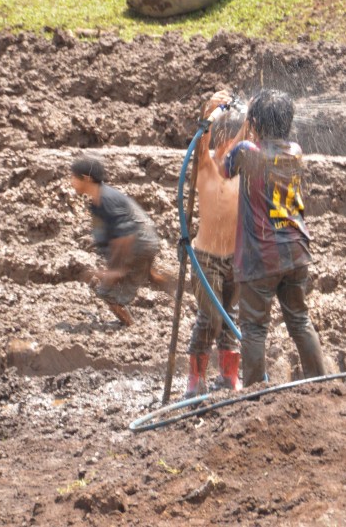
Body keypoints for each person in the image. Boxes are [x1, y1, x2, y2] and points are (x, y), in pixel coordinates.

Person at [222, 89, 327, 387]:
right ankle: (322, 384)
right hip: (295, 250)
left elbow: (224, 168)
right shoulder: (295, 150)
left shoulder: (247, 151)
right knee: (299, 320)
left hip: (261, 255)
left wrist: (245, 125)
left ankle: (254, 395)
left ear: (254, 122)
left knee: (254, 328)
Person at [184, 90, 246, 397]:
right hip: (205, 257)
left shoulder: (242, 170)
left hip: (235, 257)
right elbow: (201, 144)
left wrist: (247, 116)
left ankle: (228, 377)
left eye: (239, 140)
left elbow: (250, 135)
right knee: (209, 318)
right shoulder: (206, 165)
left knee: (231, 316)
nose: (234, 146)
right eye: (230, 140)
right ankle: (195, 381)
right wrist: (209, 110)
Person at [70, 153, 166, 328]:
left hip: (138, 245)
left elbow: (125, 236)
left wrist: (116, 271)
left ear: (85, 178)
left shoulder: (106, 200)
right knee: (147, 280)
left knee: (107, 292)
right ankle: (171, 286)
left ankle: (131, 327)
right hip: (142, 244)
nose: (71, 182)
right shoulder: (100, 200)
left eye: (73, 177)